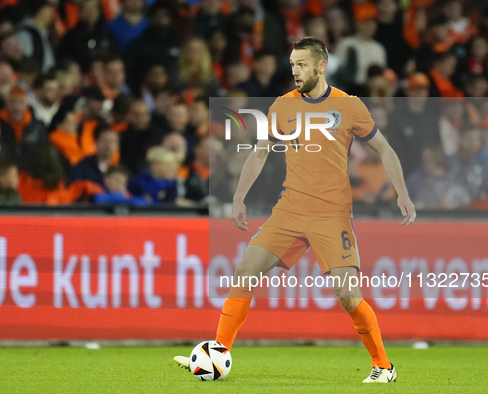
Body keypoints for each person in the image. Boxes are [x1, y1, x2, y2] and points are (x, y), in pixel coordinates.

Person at [173, 37, 416, 383]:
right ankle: (219, 351)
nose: (294, 71)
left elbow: (385, 149)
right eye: (292, 65)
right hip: (289, 210)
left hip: (332, 215)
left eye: (301, 65)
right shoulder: (281, 107)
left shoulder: (349, 106)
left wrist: (402, 193)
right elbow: (259, 152)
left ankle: (384, 367)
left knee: (349, 297)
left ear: (321, 66)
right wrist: (240, 197)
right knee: (245, 271)